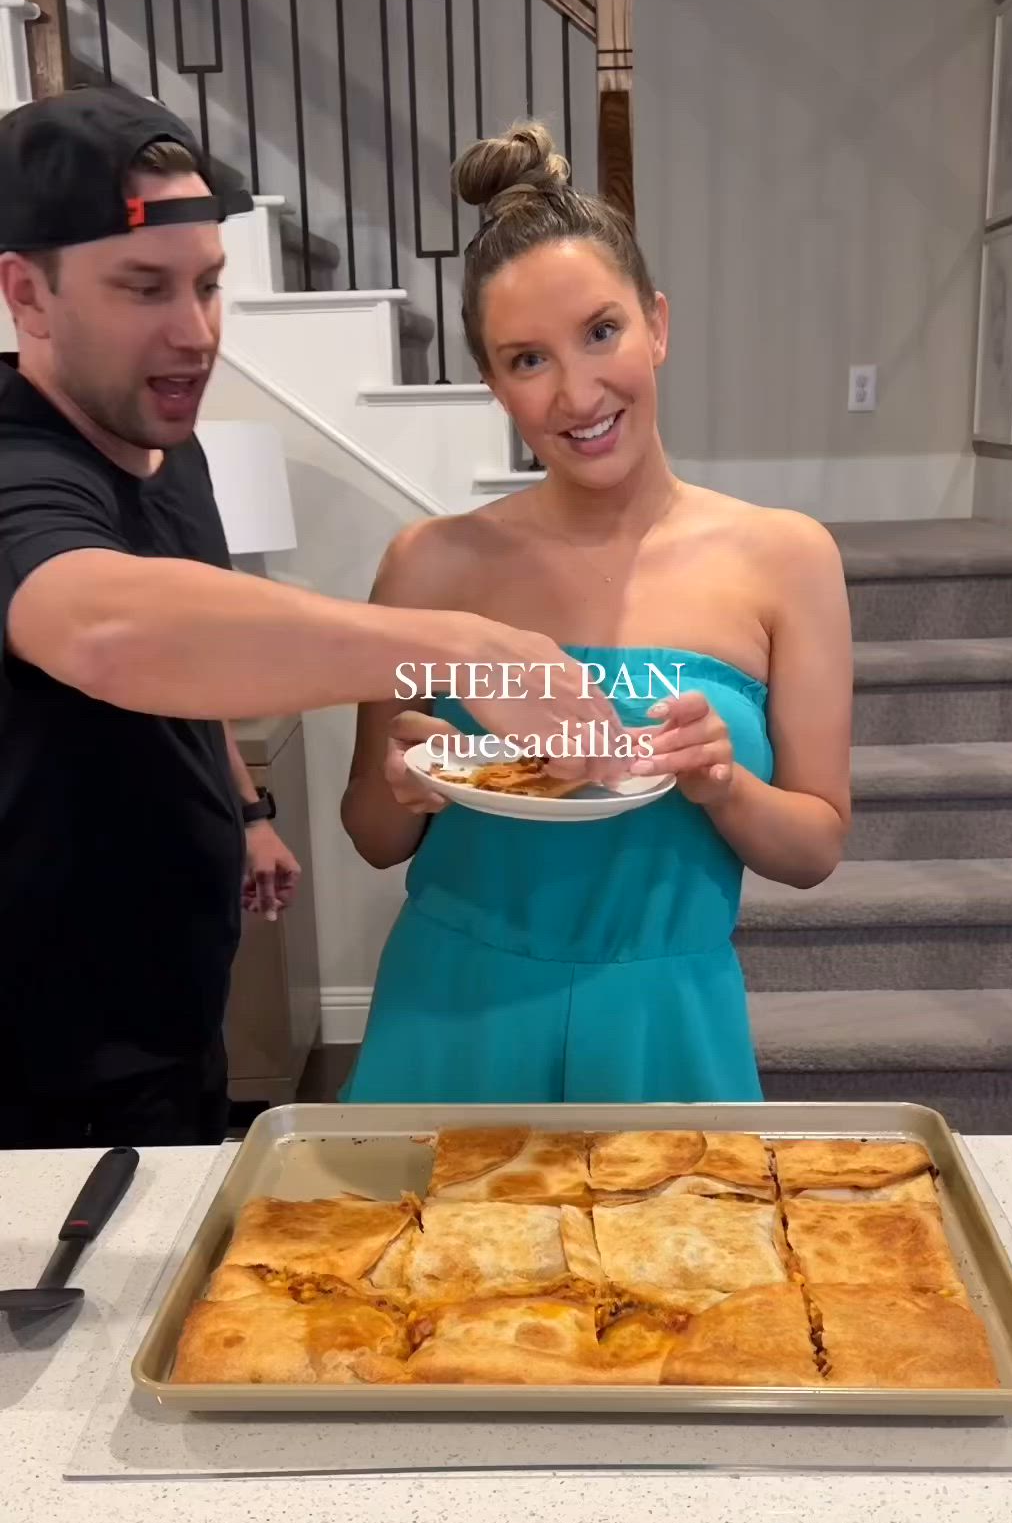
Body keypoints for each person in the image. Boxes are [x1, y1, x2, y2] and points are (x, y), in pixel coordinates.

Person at [0, 90, 626, 1148]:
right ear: (29, 294)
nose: (194, 333)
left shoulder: (169, 449)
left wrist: (243, 812)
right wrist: (464, 647)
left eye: (208, 285)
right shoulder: (19, 465)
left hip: (171, 1013)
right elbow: (102, 627)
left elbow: (190, 654)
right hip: (37, 1053)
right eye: (144, 287)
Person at [340, 121, 853, 1105]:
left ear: (656, 323)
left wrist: (722, 784)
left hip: (668, 1018)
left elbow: (817, 846)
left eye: (602, 332)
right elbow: (371, 833)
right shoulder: (426, 564)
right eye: (527, 360)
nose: (578, 393)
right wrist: (403, 779)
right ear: (493, 385)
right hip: (453, 1012)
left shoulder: (787, 559)